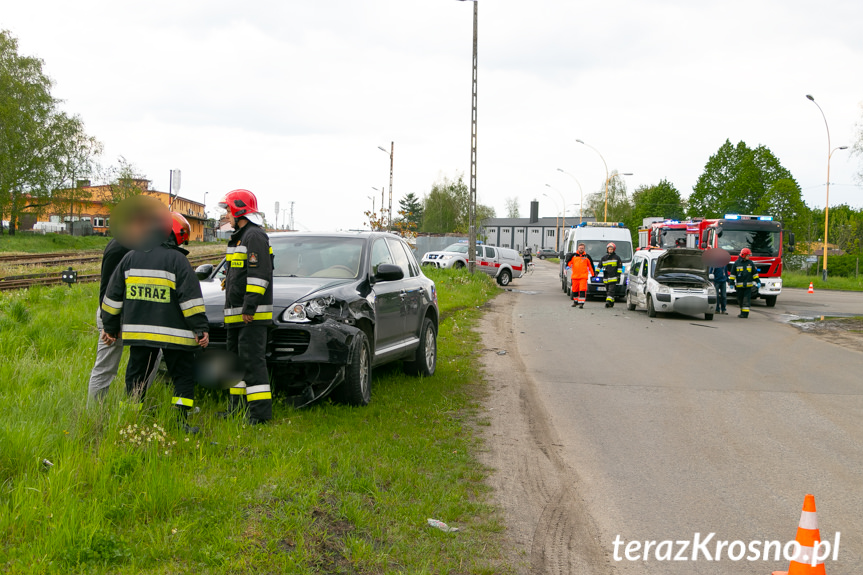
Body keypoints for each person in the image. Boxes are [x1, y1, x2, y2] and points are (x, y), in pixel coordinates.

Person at [101, 211, 209, 433]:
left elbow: (112, 297)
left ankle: (130, 421)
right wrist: (200, 329)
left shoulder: (130, 257)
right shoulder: (178, 260)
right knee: (182, 377)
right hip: (175, 334)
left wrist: (110, 328)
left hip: (140, 334)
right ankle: (180, 424)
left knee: (135, 378)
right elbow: (191, 300)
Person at [218, 189, 274, 424]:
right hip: (236, 316)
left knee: (252, 364)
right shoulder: (239, 237)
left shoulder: (254, 237)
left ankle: (259, 416)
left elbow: (259, 275)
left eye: (228, 210)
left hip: (250, 316)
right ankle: (236, 409)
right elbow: (236, 272)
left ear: (239, 210)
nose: (226, 215)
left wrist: (249, 308)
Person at [87, 237, 161, 404]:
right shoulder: (119, 247)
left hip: (135, 314)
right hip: (116, 315)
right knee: (106, 366)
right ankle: (94, 414)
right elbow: (107, 288)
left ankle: (134, 407)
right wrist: (109, 323)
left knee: (151, 360)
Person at [729, 248, 759, 319]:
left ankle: (745, 314)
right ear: (743, 255)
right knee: (740, 300)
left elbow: (754, 273)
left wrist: (758, 281)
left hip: (748, 287)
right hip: (739, 287)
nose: (749, 257)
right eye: (747, 255)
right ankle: (742, 312)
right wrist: (731, 282)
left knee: (746, 300)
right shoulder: (737, 263)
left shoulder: (750, 263)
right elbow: (733, 274)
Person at [568, 243, 594, 308]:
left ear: (584, 249)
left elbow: (591, 266)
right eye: (580, 248)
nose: (581, 249)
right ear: (578, 248)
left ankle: (581, 303)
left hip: (583, 277)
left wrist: (593, 274)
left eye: (582, 248)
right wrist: (567, 266)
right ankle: (575, 302)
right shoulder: (573, 256)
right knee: (574, 290)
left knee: (582, 290)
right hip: (575, 276)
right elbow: (568, 263)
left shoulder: (587, 256)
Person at [599, 242, 622, 308]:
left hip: (613, 277)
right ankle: (611, 302)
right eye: (609, 249)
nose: (610, 250)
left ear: (614, 250)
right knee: (608, 290)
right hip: (606, 277)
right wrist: (596, 272)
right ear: (607, 249)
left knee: (611, 290)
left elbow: (619, 268)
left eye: (611, 249)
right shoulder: (604, 258)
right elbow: (599, 266)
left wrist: (618, 275)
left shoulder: (617, 258)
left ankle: (608, 302)